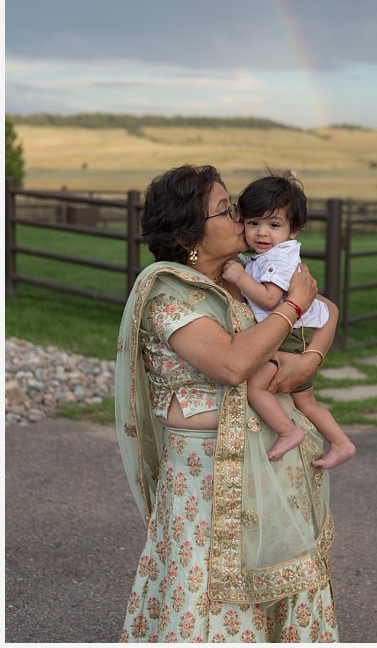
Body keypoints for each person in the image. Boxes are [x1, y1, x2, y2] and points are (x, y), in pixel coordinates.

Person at [116, 164, 339, 642]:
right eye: (227, 210)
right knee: (206, 583)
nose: (243, 219)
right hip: (204, 475)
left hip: (269, 464)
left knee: (279, 575)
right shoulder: (169, 293)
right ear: (188, 233)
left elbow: (286, 345)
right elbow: (235, 364)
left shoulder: (244, 281)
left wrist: (311, 356)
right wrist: (293, 307)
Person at [221, 170, 356, 466]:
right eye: (252, 223)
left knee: (256, 387)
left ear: (293, 229)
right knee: (306, 399)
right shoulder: (268, 255)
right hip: (300, 330)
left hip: (291, 334)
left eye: (273, 224)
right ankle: (341, 442)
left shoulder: (280, 258)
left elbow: (269, 299)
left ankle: (287, 431)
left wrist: (238, 276)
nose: (261, 233)